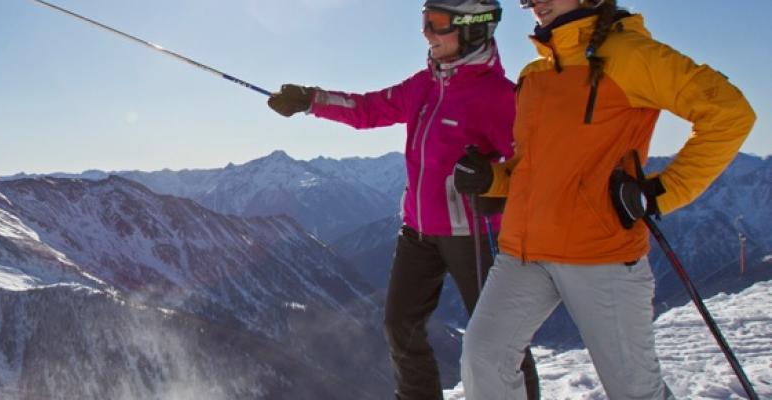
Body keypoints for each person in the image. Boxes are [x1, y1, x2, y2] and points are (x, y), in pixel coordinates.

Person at [455, 0, 756, 398]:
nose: (534, 4)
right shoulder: (536, 74)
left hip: (600, 254)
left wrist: (660, 192)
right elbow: (531, 167)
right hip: (524, 252)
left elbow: (730, 112)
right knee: (483, 360)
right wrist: (491, 179)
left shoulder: (629, 55)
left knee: (634, 391)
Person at [267, 1, 539, 398]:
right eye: (424, 21)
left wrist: (493, 180)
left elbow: (530, 170)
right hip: (418, 230)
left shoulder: (499, 96)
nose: (426, 32)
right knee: (400, 327)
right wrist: (311, 99)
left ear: (474, 28)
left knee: (501, 342)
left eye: (438, 23)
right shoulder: (422, 85)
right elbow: (368, 110)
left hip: (474, 236)